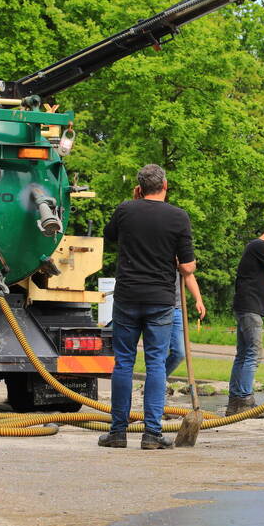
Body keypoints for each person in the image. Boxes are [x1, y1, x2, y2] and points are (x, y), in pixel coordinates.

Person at [100, 164, 195, 449]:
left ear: (140, 188)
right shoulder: (178, 217)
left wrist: (134, 201)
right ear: (165, 184)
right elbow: (187, 266)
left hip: (128, 296)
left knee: (124, 363)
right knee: (155, 363)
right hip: (160, 300)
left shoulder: (126, 210)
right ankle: (152, 434)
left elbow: (110, 237)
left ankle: (117, 432)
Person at [226, 220, 264, 416]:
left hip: (245, 307)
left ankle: (235, 402)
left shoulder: (255, 250)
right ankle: (245, 399)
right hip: (250, 308)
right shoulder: (260, 246)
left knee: (243, 354)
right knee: (254, 353)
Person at [164, 271, 207, 381]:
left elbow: (189, 274)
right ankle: (157, 387)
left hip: (177, 308)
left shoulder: (180, 255)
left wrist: (198, 299)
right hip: (159, 307)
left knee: (179, 352)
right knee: (159, 354)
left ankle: (158, 382)